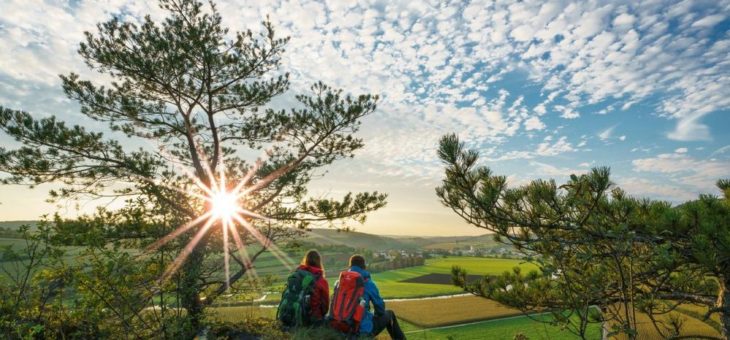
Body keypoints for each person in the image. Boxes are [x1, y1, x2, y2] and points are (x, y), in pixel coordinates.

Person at [347, 254, 406, 340]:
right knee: (390, 314)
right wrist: (373, 315)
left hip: (344, 328)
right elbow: (380, 309)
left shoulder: (340, 282)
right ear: (364, 266)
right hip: (362, 330)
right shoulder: (366, 282)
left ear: (350, 266)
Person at [276, 249, 329, 328]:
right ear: (319, 262)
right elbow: (325, 305)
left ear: (306, 260)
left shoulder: (297, 273)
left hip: (288, 315)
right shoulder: (320, 280)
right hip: (310, 319)